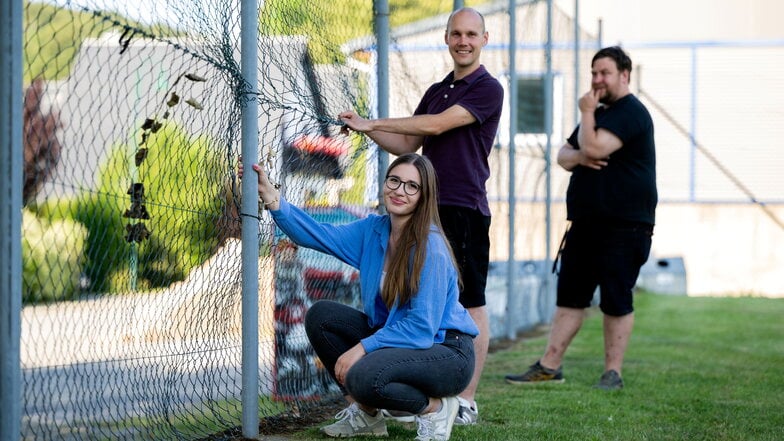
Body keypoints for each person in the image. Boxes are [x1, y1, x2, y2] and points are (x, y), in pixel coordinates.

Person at [338, 7, 503, 424]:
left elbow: (436, 126)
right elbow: (409, 140)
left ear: (484, 39)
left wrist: (374, 119)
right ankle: (407, 395)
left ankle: (464, 400)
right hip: (423, 206)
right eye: (456, 34)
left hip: (462, 209)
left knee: (469, 301)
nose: (463, 41)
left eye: (471, 34)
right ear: (447, 39)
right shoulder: (436, 89)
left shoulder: (488, 88)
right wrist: (365, 128)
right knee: (414, 299)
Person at [241, 153, 479, 441]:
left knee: (363, 376)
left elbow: (421, 327)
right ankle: (366, 416)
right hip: (401, 339)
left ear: (423, 196)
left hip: (446, 351)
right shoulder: (373, 230)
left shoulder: (431, 248)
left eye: (412, 186)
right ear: (385, 183)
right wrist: (271, 197)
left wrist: (362, 348)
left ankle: (437, 409)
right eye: (394, 180)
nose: (399, 190)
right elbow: (317, 235)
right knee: (322, 317)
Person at [504, 46, 657, 390]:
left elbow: (594, 149)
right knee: (571, 296)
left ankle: (612, 373)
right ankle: (549, 365)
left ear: (624, 75)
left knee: (616, 299)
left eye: (604, 73)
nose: (597, 80)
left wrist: (586, 120)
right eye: (593, 73)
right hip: (586, 224)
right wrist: (581, 150)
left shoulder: (629, 112)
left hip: (624, 225)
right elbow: (563, 155)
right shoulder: (598, 112)